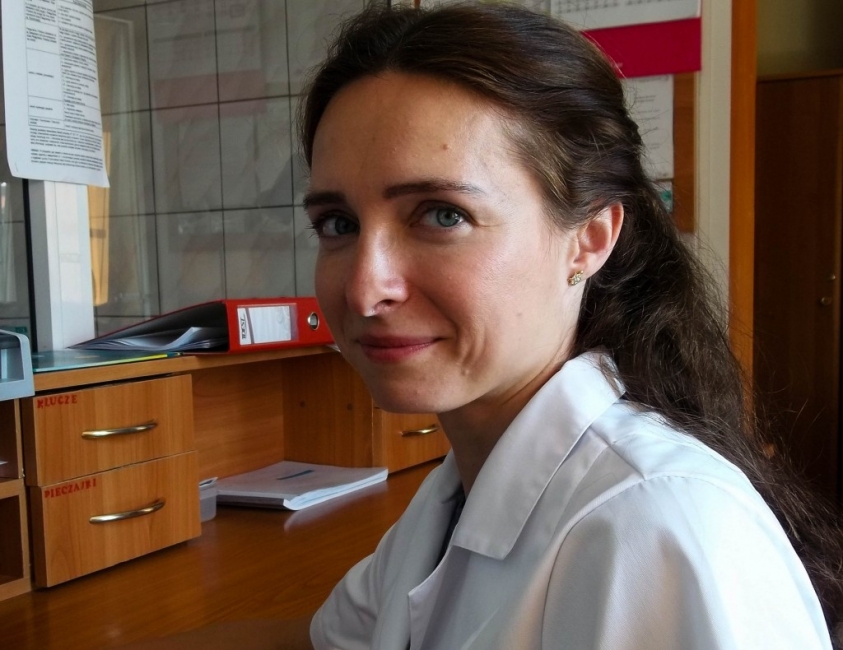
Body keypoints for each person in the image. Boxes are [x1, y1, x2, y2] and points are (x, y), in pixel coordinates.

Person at [296, 3, 843, 649]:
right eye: (338, 224)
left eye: (442, 215)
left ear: (588, 239)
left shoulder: (654, 521)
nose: (365, 288)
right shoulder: (453, 492)